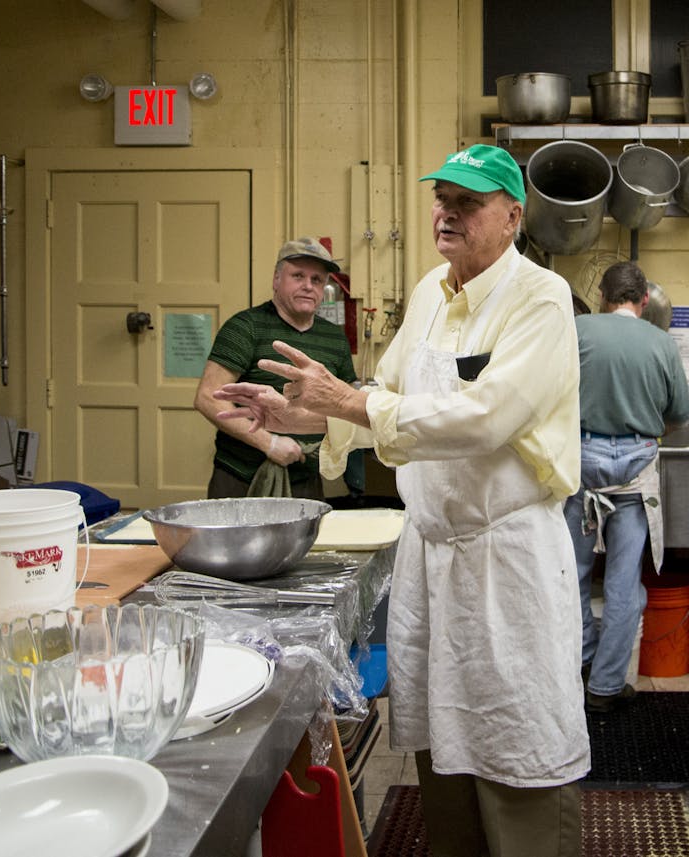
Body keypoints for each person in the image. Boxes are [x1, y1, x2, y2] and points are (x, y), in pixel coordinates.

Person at [214, 144, 587, 856]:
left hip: (506, 562)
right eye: (442, 198)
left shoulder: (539, 299)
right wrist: (296, 412)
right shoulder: (427, 293)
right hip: (434, 560)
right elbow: (381, 403)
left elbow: (486, 418)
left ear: (513, 217)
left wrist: (351, 402)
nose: (447, 212)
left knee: (518, 753)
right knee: (446, 756)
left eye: (468, 202)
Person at [566, 261, 689, 713]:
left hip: (581, 464)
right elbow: (679, 414)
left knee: (573, 572)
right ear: (643, 302)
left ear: (602, 296)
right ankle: (604, 686)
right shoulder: (661, 342)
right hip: (635, 473)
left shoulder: (578, 330)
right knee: (623, 582)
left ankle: (580, 659)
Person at [193, 237, 356, 499]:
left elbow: (347, 399)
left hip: (307, 480)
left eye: (317, 280)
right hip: (242, 478)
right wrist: (269, 443)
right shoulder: (245, 327)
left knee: (306, 542)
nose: (307, 286)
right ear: (276, 280)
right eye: (298, 276)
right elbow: (207, 398)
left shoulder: (335, 339)